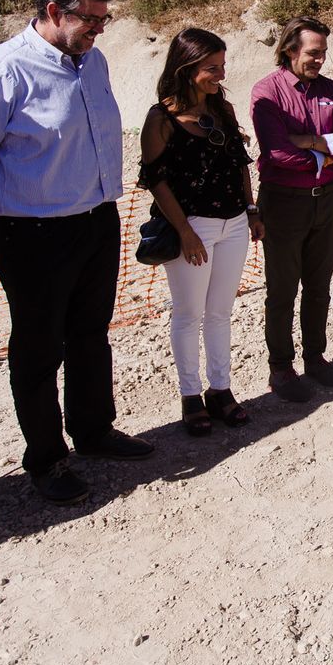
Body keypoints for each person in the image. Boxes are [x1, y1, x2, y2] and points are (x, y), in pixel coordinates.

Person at [0, 0, 153, 508]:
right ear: (55, 12)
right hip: (32, 234)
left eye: (105, 20)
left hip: (96, 223)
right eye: (91, 19)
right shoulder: (1, 72)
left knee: (90, 334)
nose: (100, 30)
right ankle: (46, 459)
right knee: (38, 351)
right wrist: (18, 211)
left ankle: (94, 432)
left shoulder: (94, 61)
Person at [138, 28, 263, 436]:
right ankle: (191, 396)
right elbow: (156, 180)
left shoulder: (221, 109)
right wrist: (185, 232)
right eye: (212, 68)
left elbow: (240, 163)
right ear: (187, 67)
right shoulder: (162, 118)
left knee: (221, 312)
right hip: (193, 227)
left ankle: (221, 390)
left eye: (222, 66)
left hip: (234, 224)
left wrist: (251, 209)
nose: (219, 75)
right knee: (189, 314)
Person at [250, 16, 333, 403]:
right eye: (314, 53)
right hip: (283, 203)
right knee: (282, 290)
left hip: (327, 202)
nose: (320, 61)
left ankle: (315, 357)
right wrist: (328, 152)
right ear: (290, 50)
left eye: (323, 54)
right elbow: (278, 153)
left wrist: (313, 141)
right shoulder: (267, 91)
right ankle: (281, 368)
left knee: (319, 288)